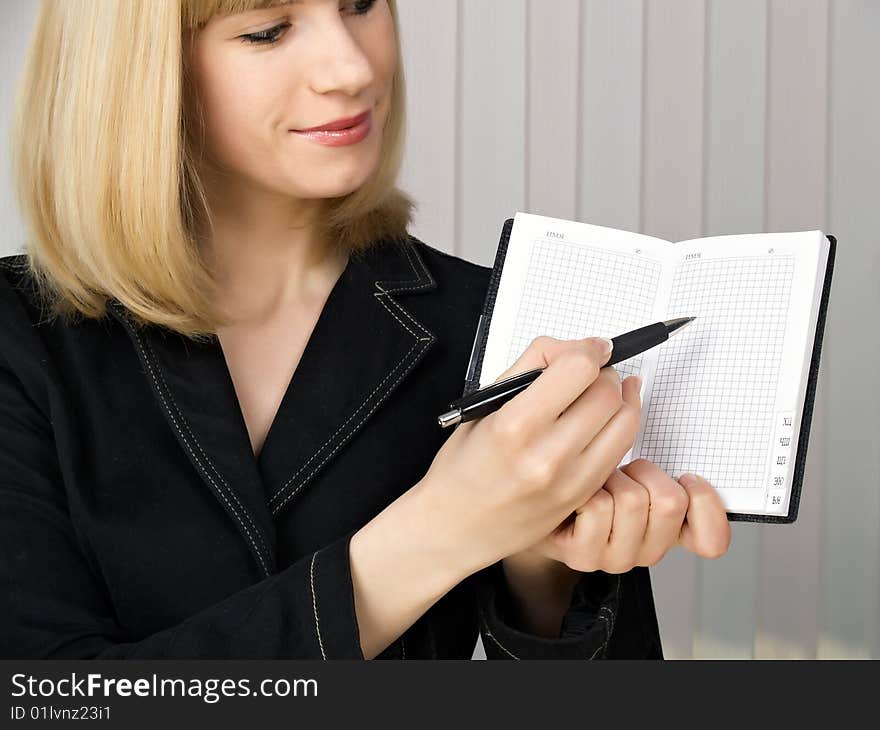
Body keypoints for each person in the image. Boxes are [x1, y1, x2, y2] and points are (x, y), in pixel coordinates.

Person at [0, 0, 730, 660]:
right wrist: (446, 526)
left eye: (361, 3)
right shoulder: (19, 334)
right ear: (135, 72)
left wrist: (546, 580)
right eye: (268, 29)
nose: (353, 68)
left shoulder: (496, 329)